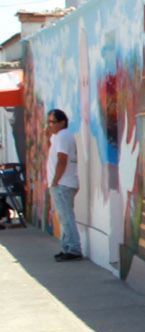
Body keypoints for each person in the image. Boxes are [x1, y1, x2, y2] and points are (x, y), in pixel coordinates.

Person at [44, 108, 81, 261]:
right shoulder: (58, 137)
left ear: (62, 122)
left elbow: (62, 159)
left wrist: (55, 180)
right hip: (63, 182)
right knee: (64, 217)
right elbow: (52, 153)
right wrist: (47, 137)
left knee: (66, 217)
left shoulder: (63, 136)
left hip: (63, 183)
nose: (49, 125)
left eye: (52, 122)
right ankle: (67, 246)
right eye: (48, 122)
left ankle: (73, 248)